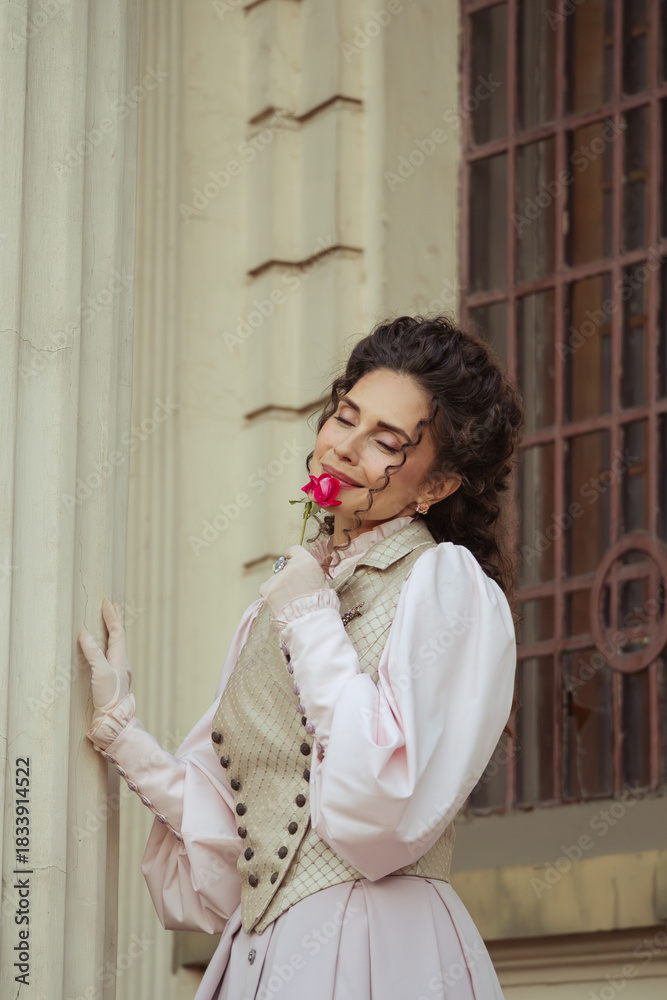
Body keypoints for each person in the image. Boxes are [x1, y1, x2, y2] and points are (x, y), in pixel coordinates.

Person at [79, 315, 524, 1000]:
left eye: (385, 440)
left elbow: (378, 814)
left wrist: (311, 613)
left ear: (436, 486)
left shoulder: (444, 586)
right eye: (344, 417)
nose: (344, 448)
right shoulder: (280, 605)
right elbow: (236, 858)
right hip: (262, 958)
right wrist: (122, 731)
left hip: (379, 954)